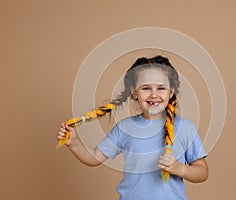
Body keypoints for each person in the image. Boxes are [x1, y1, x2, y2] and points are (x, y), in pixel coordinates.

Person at [57, 55, 208, 200]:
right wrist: (74, 142)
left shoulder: (185, 128)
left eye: (161, 88)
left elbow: (202, 172)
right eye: (146, 88)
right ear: (134, 92)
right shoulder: (125, 127)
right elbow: (94, 157)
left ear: (171, 92)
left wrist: (180, 169)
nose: (154, 95)